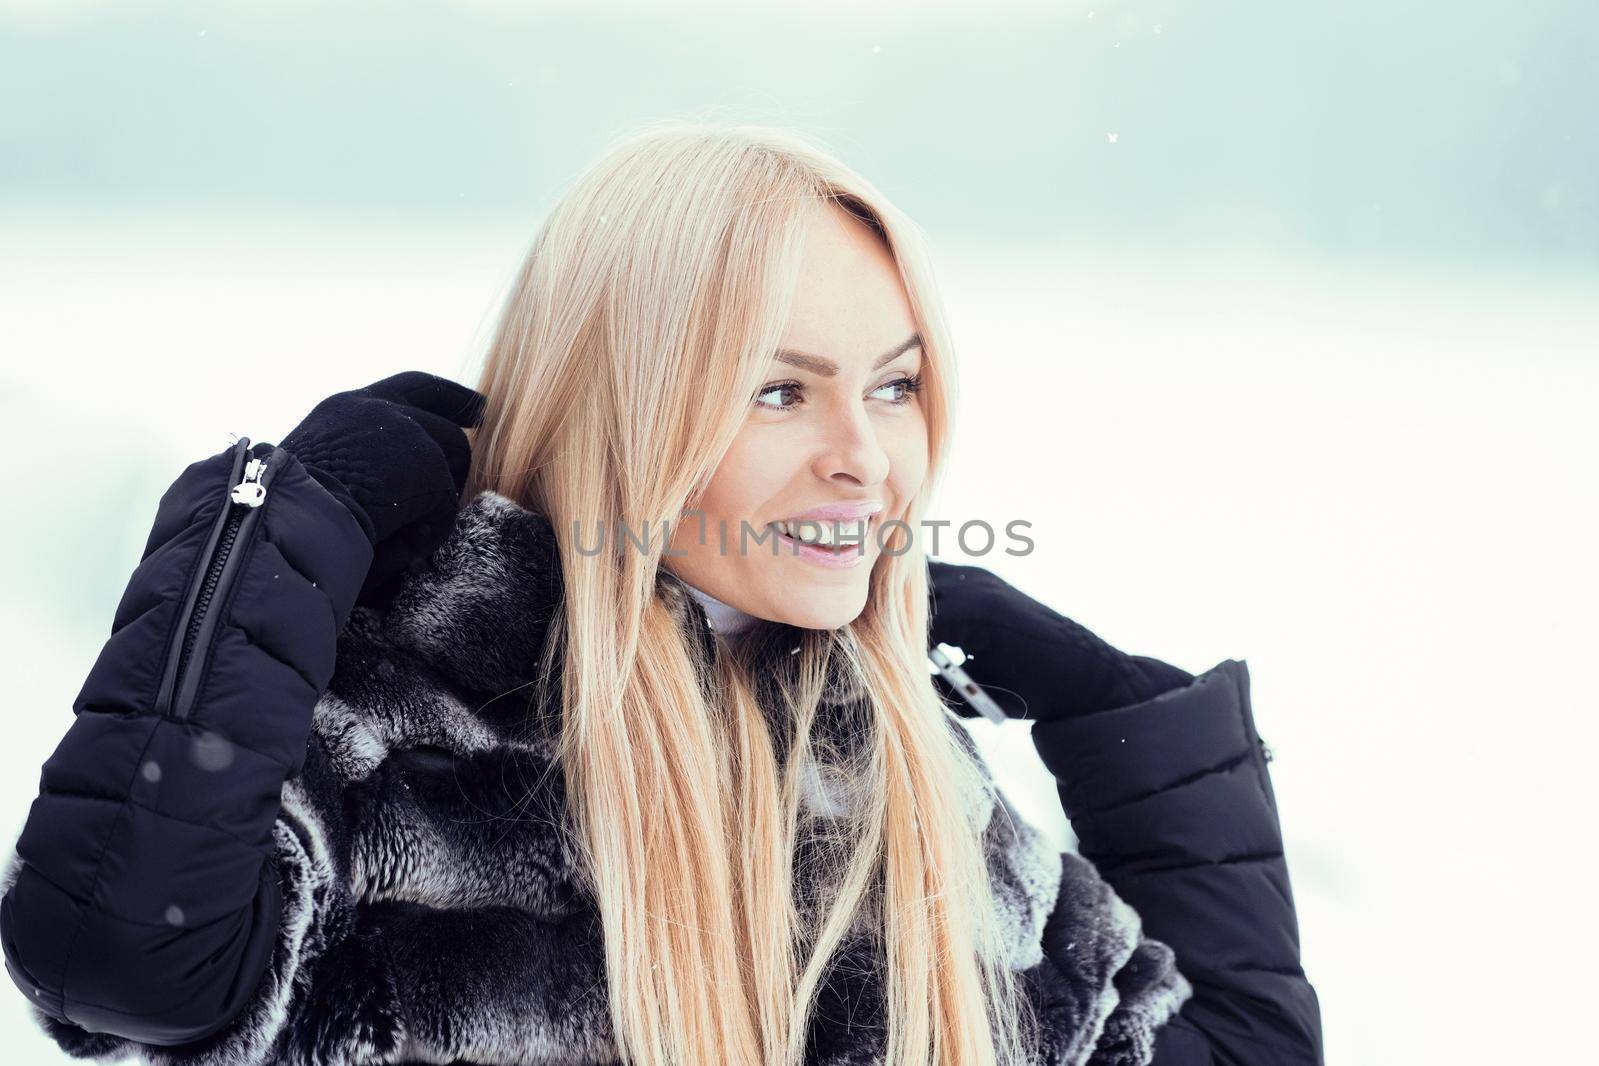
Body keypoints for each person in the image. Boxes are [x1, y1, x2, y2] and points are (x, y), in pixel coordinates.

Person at [0, 122, 1321, 1065]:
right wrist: (276, 536)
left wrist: (1124, 713)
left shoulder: (891, 777)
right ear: (621, 406)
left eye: (896, 383)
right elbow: (117, 962)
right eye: (780, 387)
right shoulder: (391, 722)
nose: (865, 453)